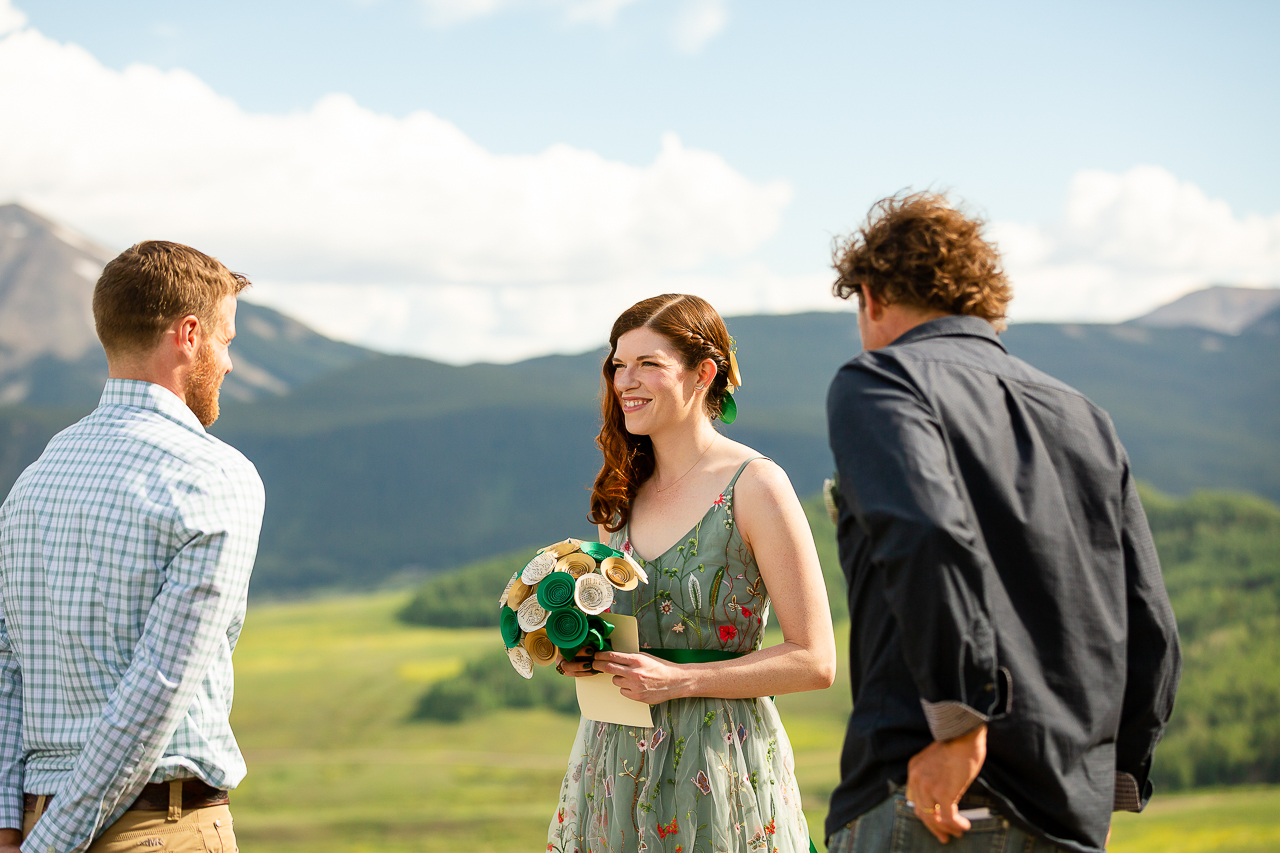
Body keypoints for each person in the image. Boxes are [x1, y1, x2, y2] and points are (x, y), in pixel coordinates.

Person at [823, 193, 1181, 853]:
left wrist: (960, 725)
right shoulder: (1084, 415)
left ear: (870, 297)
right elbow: (1149, 619)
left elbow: (926, 535)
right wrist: (1117, 775)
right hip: (1071, 809)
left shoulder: (882, 381)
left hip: (933, 794)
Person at [547, 293, 837, 853]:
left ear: (703, 373)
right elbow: (626, 637)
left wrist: (684, 680)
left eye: (647, 364)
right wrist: (581, 650)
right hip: (613, 765)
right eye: (617, 364)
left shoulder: (756, 485)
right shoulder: (621, 492)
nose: (624, 381)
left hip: (719, 766)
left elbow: (815, 660)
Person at [0, 241, 265, 853]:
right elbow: (158, 689)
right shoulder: (214, 474)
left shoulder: (35, 480)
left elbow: (7, 668)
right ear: (189, 335)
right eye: (226, 341)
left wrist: (13, 832)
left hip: (36, 822)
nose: (228, 363)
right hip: (157, 828)